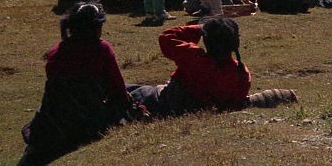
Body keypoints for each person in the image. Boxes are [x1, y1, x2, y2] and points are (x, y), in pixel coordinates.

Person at [14, 1, 134, 166]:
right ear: (96, 27)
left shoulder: (56, 52)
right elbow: (117, 89)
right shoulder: (101, 49)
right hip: (88, 120)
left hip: (56, 118)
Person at [128, 17, 298, 116]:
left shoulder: (195, 58)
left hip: (164, 102)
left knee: (131, 90)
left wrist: (199, 28)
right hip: (190, 105)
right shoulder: (241, 73)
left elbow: (166, 37)